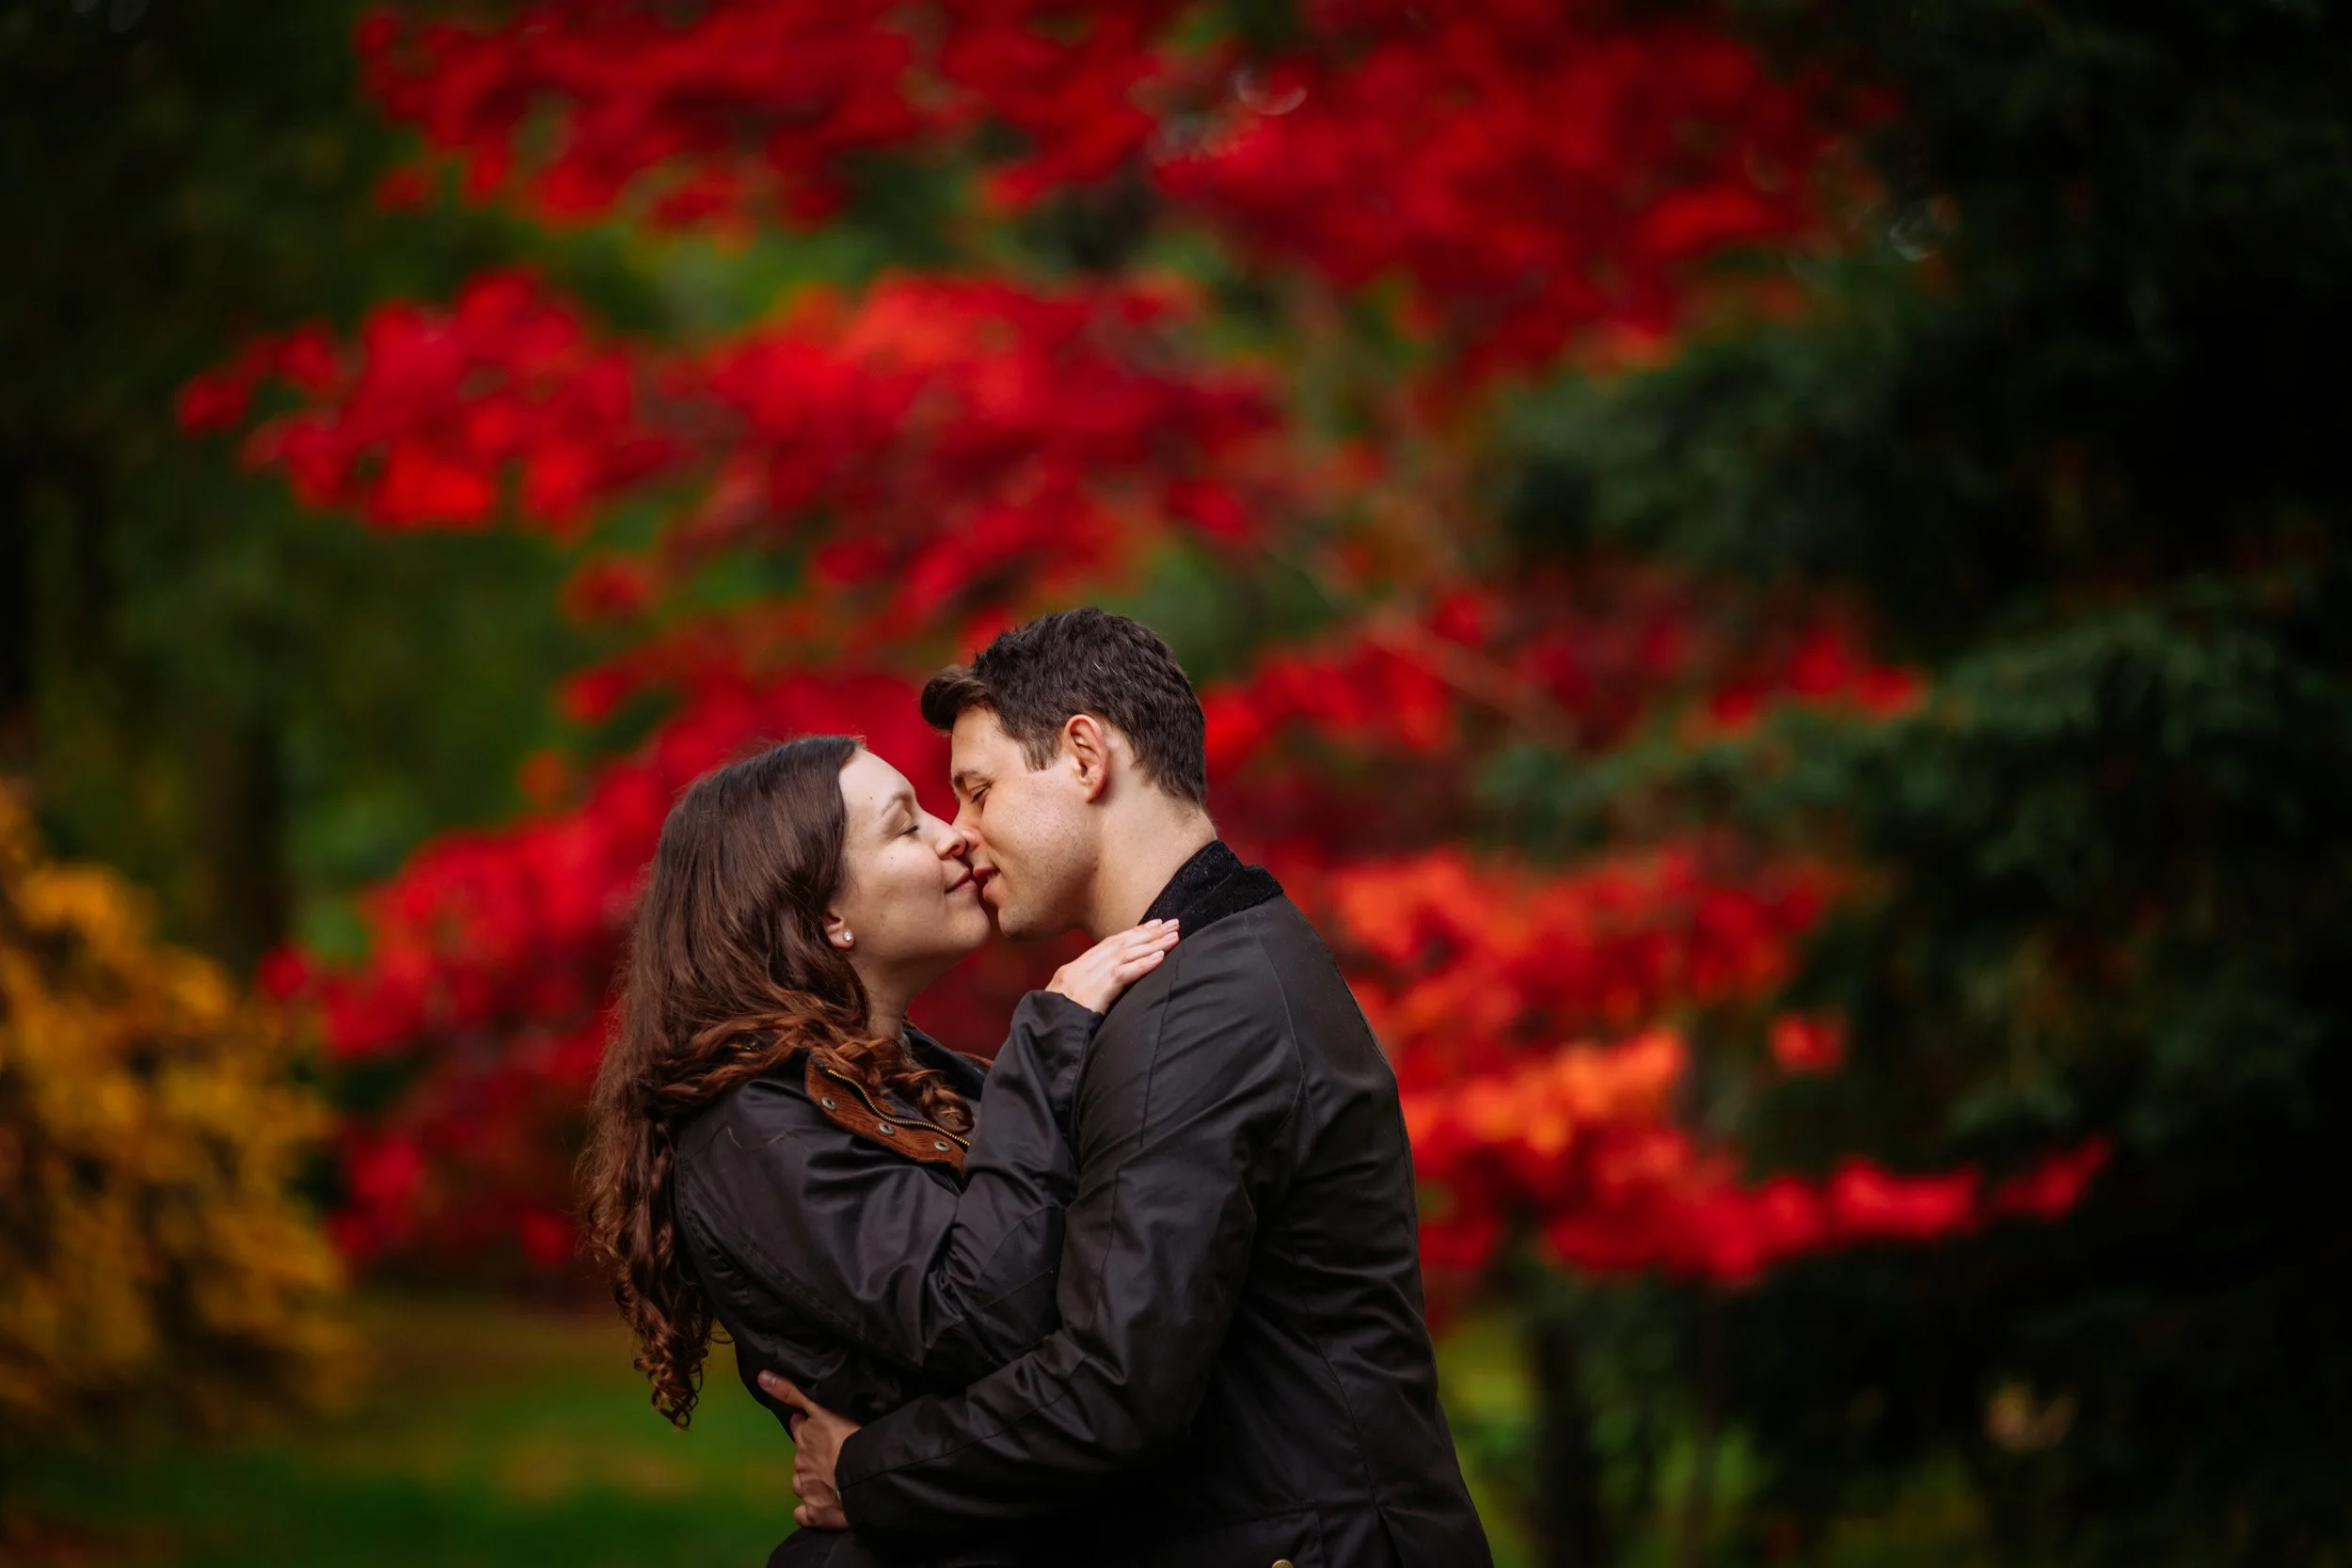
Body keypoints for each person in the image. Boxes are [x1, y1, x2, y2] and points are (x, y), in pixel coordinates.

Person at [768, 609, 1493, 1568]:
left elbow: (1111, 1392)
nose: (962, 836)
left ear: (1082, 755)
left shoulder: (1198, 1013)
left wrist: (866, 1467)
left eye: (978, 790)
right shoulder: (1226, 962)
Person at [579, 733, 1179, 1567]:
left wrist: (863, 1468)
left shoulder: (913, 1077)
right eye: (907, 826)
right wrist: (1050, 1040)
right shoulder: (754, 1126)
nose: (956, 834)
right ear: (826, 916)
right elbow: (985, 1314)